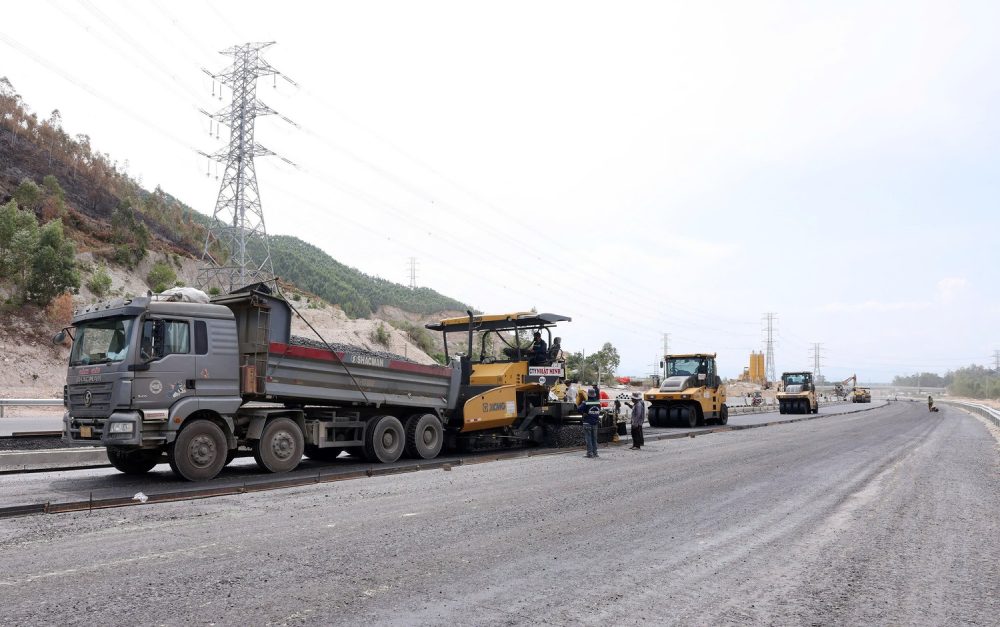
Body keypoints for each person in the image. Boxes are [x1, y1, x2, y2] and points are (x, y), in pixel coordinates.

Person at [578, 388, 602, 458]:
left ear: (588, 395)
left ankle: (589, 453)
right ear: (594, 395)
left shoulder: (586, 402)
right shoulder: (598, 402)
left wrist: (583, 413)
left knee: (588, 438)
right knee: (594, 438)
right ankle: (595, 453)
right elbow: (599, 410)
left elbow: (579, 409)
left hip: (587, 422)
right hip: (595, 422)